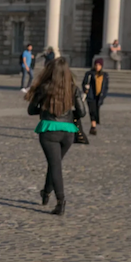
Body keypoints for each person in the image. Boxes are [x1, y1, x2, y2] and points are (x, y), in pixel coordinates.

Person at [25, 57, 87, 216]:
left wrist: (46, 110)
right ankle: (45, 193)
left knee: (55, 165)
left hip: (50, 130)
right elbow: (82, 113)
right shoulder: (73, 89)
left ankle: (60, 201)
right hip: (68, 132)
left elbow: (31, 110)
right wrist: (66, 111)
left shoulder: (44, 88)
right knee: (54, 164)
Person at [82, 59, 109, 135]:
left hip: (99, 96)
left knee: (96, 110)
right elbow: (84, 83)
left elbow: (105, 86)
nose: (97, 67)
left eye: (99, 65)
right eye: (96, 65)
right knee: (92, 110)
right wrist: (85, 89)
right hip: (91, 95)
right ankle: (93, 126)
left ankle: (94, 124)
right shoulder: (89, 74)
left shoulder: (105, 75)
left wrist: (104, 95)